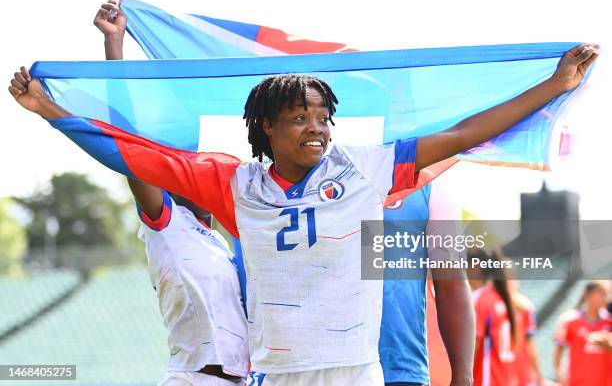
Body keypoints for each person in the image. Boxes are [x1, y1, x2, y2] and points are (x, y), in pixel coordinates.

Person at [9, 37, 597, 385]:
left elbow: (465, 133)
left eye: (323, 117)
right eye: (299, 118)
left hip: (363, 370)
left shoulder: (372, 172)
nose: (316, 129)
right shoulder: (232, 184)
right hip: (278, 371)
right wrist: (51, 112)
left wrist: (553, 84)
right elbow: (133, 155)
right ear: (266, 127)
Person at [92, 0, 249, 385]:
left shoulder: (220, 241)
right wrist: (115, 46)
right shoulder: (166, 224)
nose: (210, 176)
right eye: (196, 170)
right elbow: (126, 145)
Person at [380, 178, 473, 386]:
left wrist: (463, 377)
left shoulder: (431, 187)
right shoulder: (316, 177)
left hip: (400, 370)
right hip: (317, 365)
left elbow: (452, 284)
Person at [468, 248, 519, 386]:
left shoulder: (479, 299)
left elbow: (474, 342)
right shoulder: (498, 298)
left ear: (476, 266)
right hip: (502, 379)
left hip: (486, 380)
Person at [554, 281, 611, 386]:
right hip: (578, 382)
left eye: (607, 294)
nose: (605, 298)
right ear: (587, 295)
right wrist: (560, 376)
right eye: (601, 293)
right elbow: (558, 352)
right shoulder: (570, 321)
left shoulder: (609, 322)